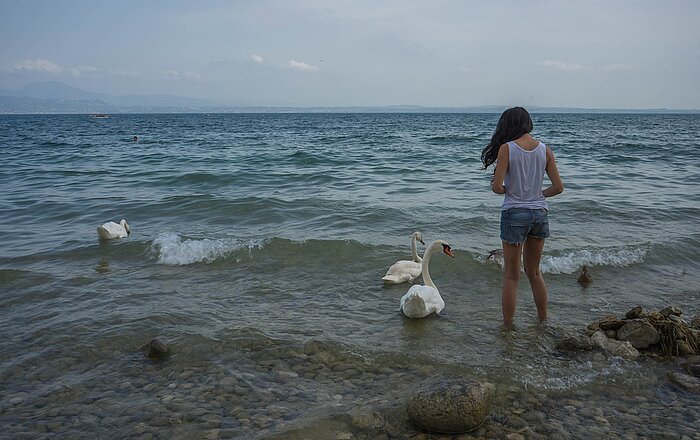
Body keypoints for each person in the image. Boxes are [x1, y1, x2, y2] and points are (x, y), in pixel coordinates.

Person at [481, 107, 564, 326]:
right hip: (539, 213)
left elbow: (497, 187)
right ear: (528, 123)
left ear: (508, 125)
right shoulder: (545, 150)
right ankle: (543, 320)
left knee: (511, 275)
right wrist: (537, 194)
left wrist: (509, 190)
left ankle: (508, 326)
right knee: (534, 272)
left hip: (514, 212)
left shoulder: (507, 149)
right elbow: (558, 188)